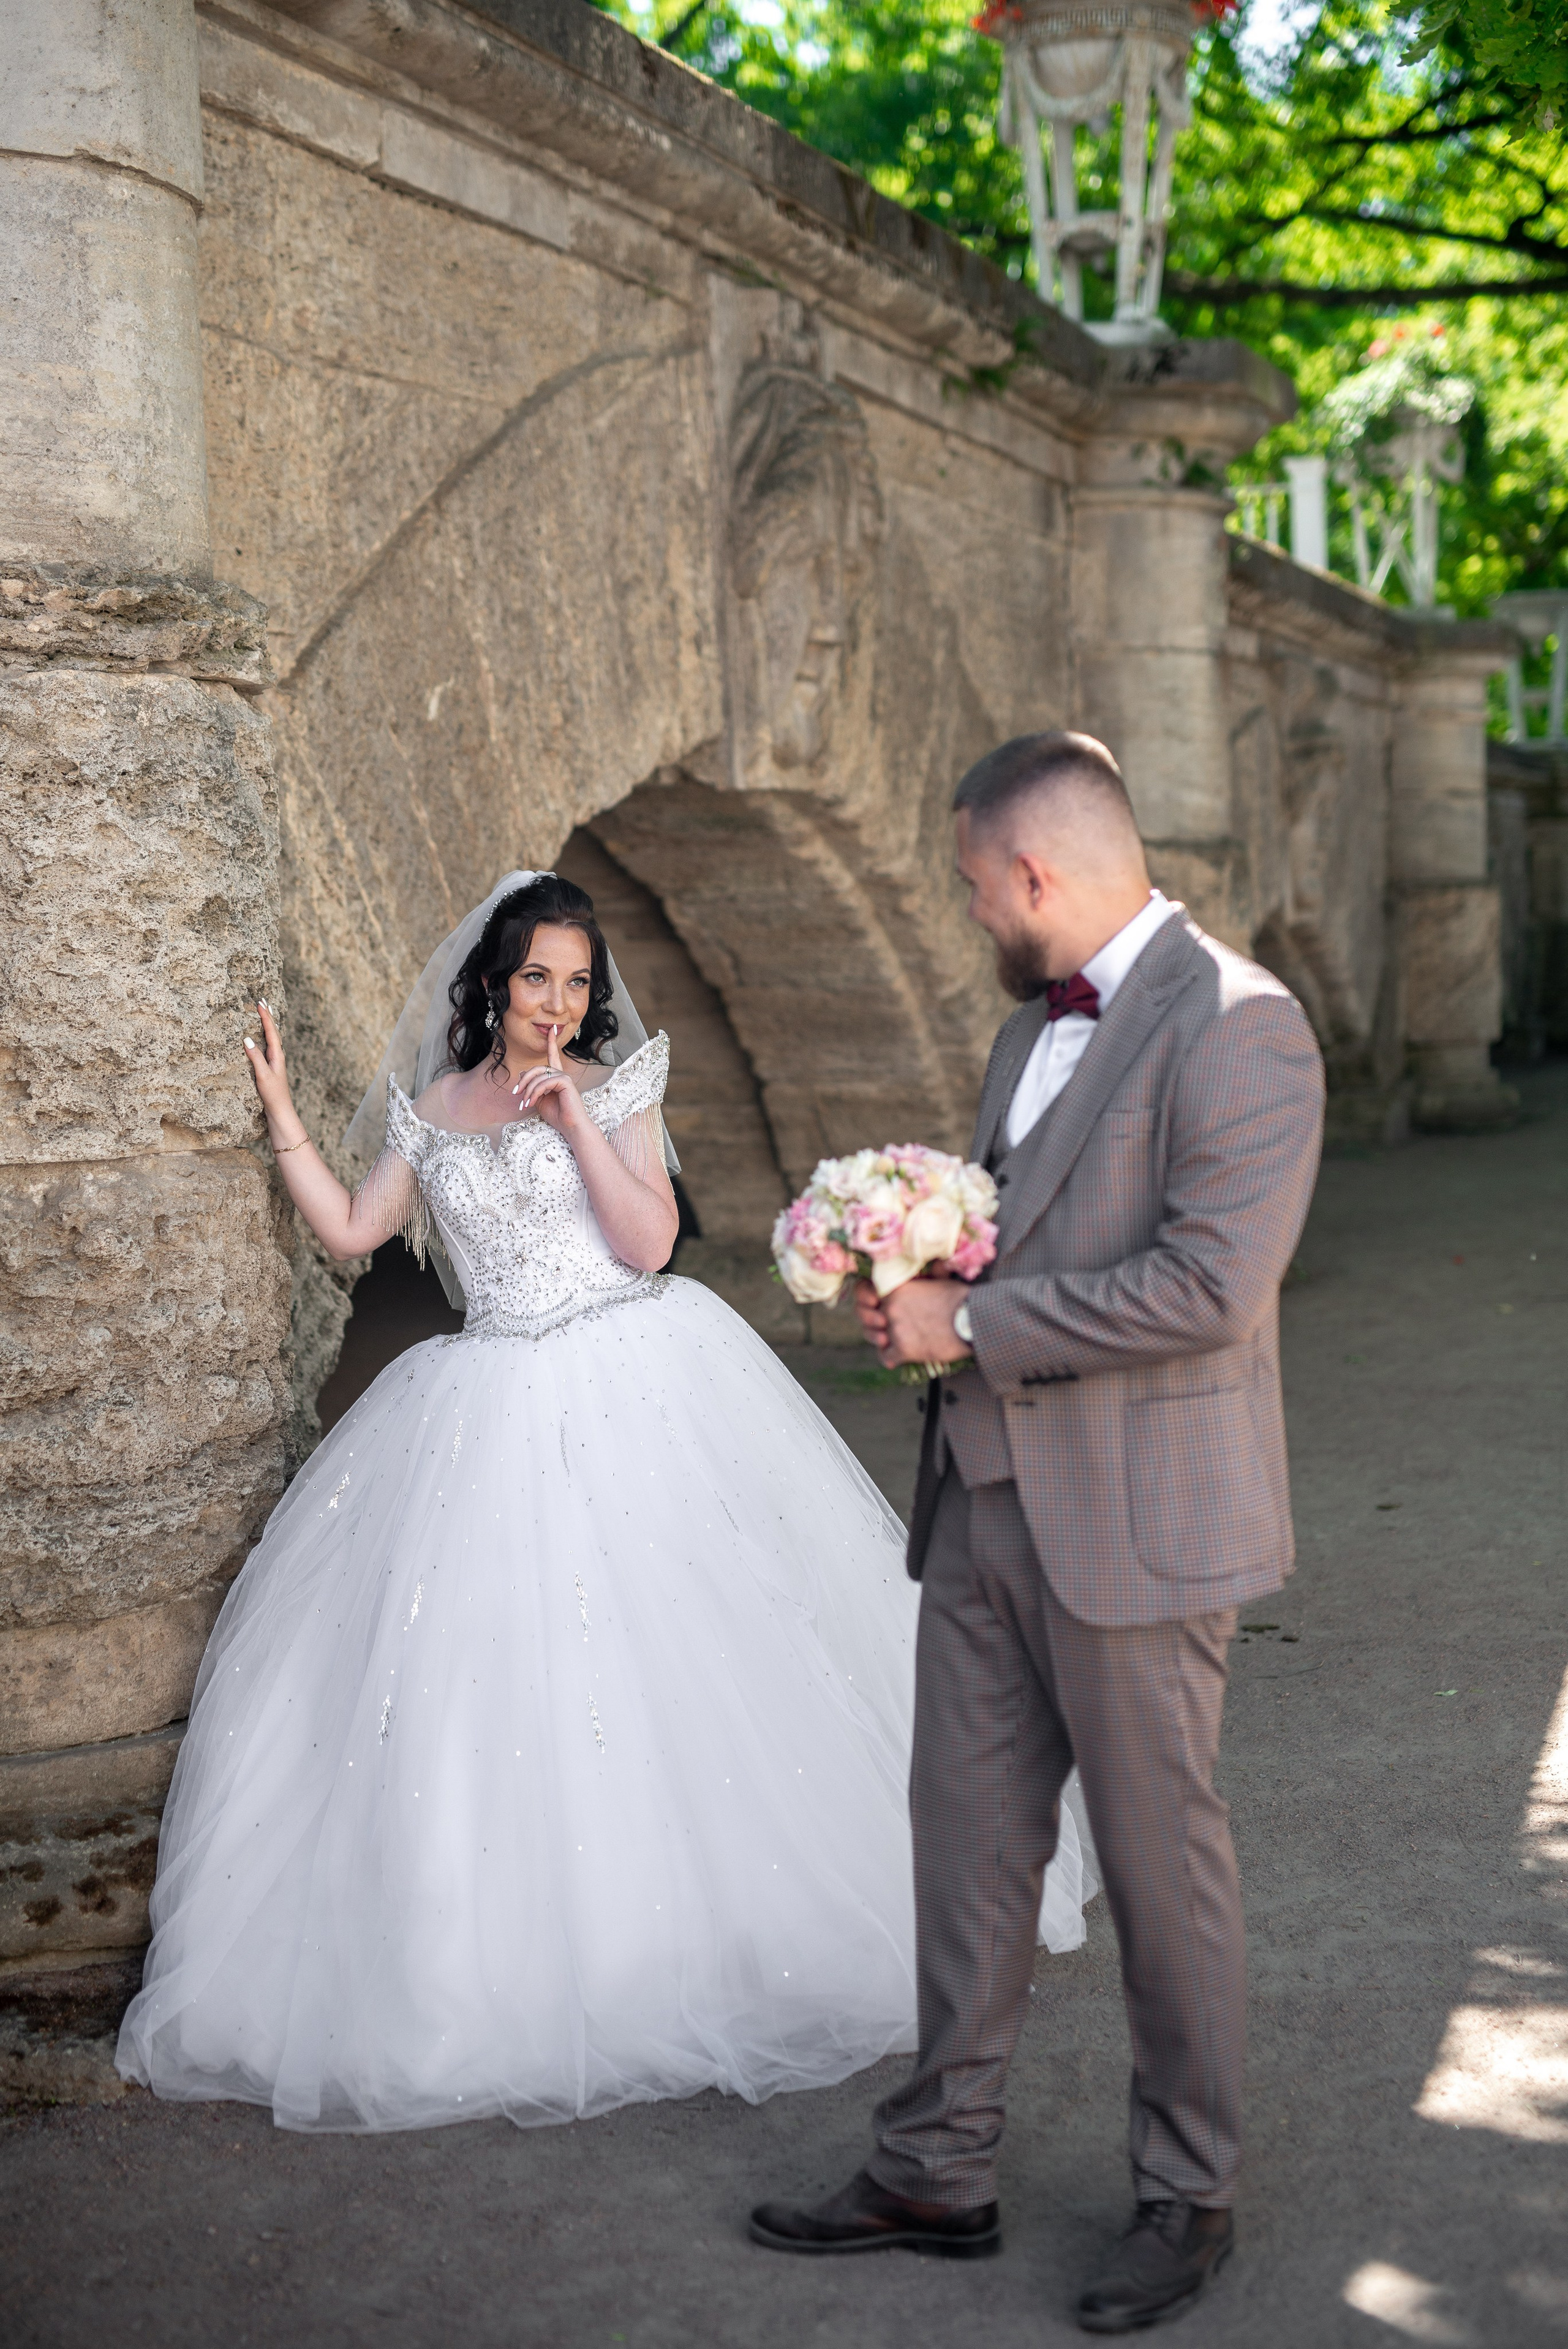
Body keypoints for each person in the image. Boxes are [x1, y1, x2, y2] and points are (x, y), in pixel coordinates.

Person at [116, 869, 1096, 2132]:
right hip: (483, 1398)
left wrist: (575, 1115)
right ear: (494, 983)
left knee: (684, 1645)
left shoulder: (617, 1086)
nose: (559, 1003)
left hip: (635, 1370)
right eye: (538, 978)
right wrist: (285, 1121)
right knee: (487, 1676)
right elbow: (356, 1232)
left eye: (578, 983)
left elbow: (647, 1243)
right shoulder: (436, 1109)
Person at [750, 735, 1325, 2334]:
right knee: (965, 1852)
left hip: (1140, 1523)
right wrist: (917, 1284)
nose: (968, 915)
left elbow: (1211, 1286)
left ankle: (1187, 2190)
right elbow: (1022, 1230)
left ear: (1031, 872)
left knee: (1157, 1869)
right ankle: (935, 2166)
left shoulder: (1242, 1022)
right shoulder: (1025, 1032)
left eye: (969, 886)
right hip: (982, 1502)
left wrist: (978, 1319)